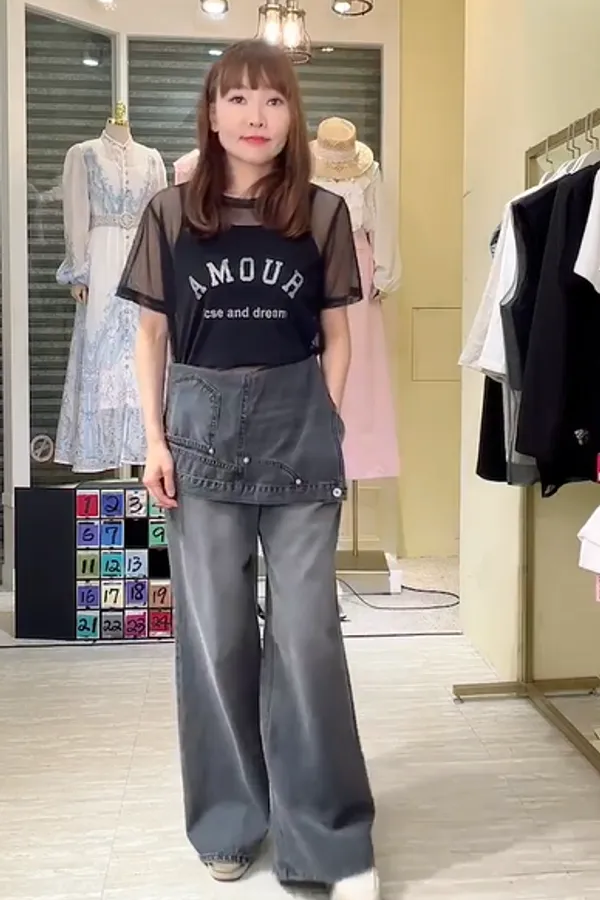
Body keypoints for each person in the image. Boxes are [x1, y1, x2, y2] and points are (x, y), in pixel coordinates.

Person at [117, 39, 379, 900]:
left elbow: (337, 332)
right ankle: (230, 822)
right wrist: (154, 441)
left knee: (306, 636)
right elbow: (150, 336)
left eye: (273, 100)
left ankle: (325, 837)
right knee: (217, 636)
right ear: (212, 112)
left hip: (297, 426)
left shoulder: (322, 212)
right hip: (196, 434)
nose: (255, 116)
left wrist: (325, 414)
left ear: (291, 115)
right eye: (237, 99)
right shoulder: (169, 214)